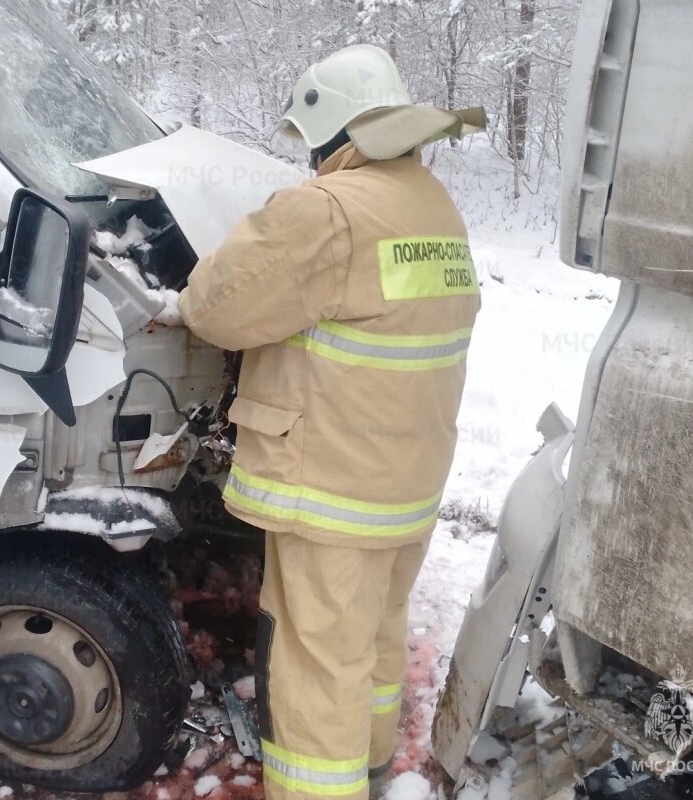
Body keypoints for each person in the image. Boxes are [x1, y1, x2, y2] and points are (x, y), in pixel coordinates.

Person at [178, 44, 484, 800]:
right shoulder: (432, 205)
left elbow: (216, 307)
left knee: (317, 670)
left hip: (332, 493)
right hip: (406, 483)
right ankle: (374, 770)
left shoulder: (328, 210)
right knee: (375, 642)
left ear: (331, 133)